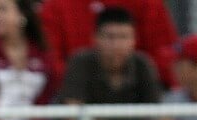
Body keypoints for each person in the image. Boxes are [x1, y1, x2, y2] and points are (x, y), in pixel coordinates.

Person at [57, 7, 163, 120]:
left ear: (133, 40)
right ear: (96, 39)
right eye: (110, 37)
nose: (116, 44)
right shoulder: (80, 62)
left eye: (123, 37)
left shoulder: (143, 65)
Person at [37, 0, 177, 88]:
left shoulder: (148, 4)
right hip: (80, 93)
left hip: (137, 92)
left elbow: (164, 57)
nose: (115, 44)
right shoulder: (56, 6)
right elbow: (50, 60)